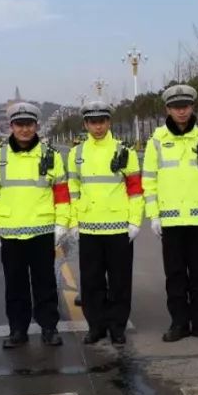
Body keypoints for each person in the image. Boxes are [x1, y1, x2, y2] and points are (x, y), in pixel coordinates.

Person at [142, 84, 198, 342]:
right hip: (170, 221)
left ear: (192, 107)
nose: (181, 111)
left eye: (185, 106)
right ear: (168, 109)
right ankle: (178, 323)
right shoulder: (157, 141)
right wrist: (154, 215)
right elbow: (149, 181)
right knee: (175, 276)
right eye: (176, 107)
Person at [0, 101, 69, 349]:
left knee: (45, 283)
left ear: (37, 126)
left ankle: (49, 327)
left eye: (29, 124)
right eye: (19, 125)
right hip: (10, 233)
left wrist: (62, 224)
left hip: (43, 231)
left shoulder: (51, 156)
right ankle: (17, 330)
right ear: (11, 126)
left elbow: (62, 195)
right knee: (15, 285)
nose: (24, 129)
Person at [67, 100, 143, 346]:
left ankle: (117, 326)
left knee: (120, 280)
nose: (97, 126)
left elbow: (134, 189)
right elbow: (73, 189)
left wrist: (135, 221)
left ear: (109, 122)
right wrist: (73, 221)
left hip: (119, 227)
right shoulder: (76, 154)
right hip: (88, 227)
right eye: (93, 122)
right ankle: (96, 326)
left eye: (102, 121)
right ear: (86, 124)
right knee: (91, 280)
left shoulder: (124, 151)